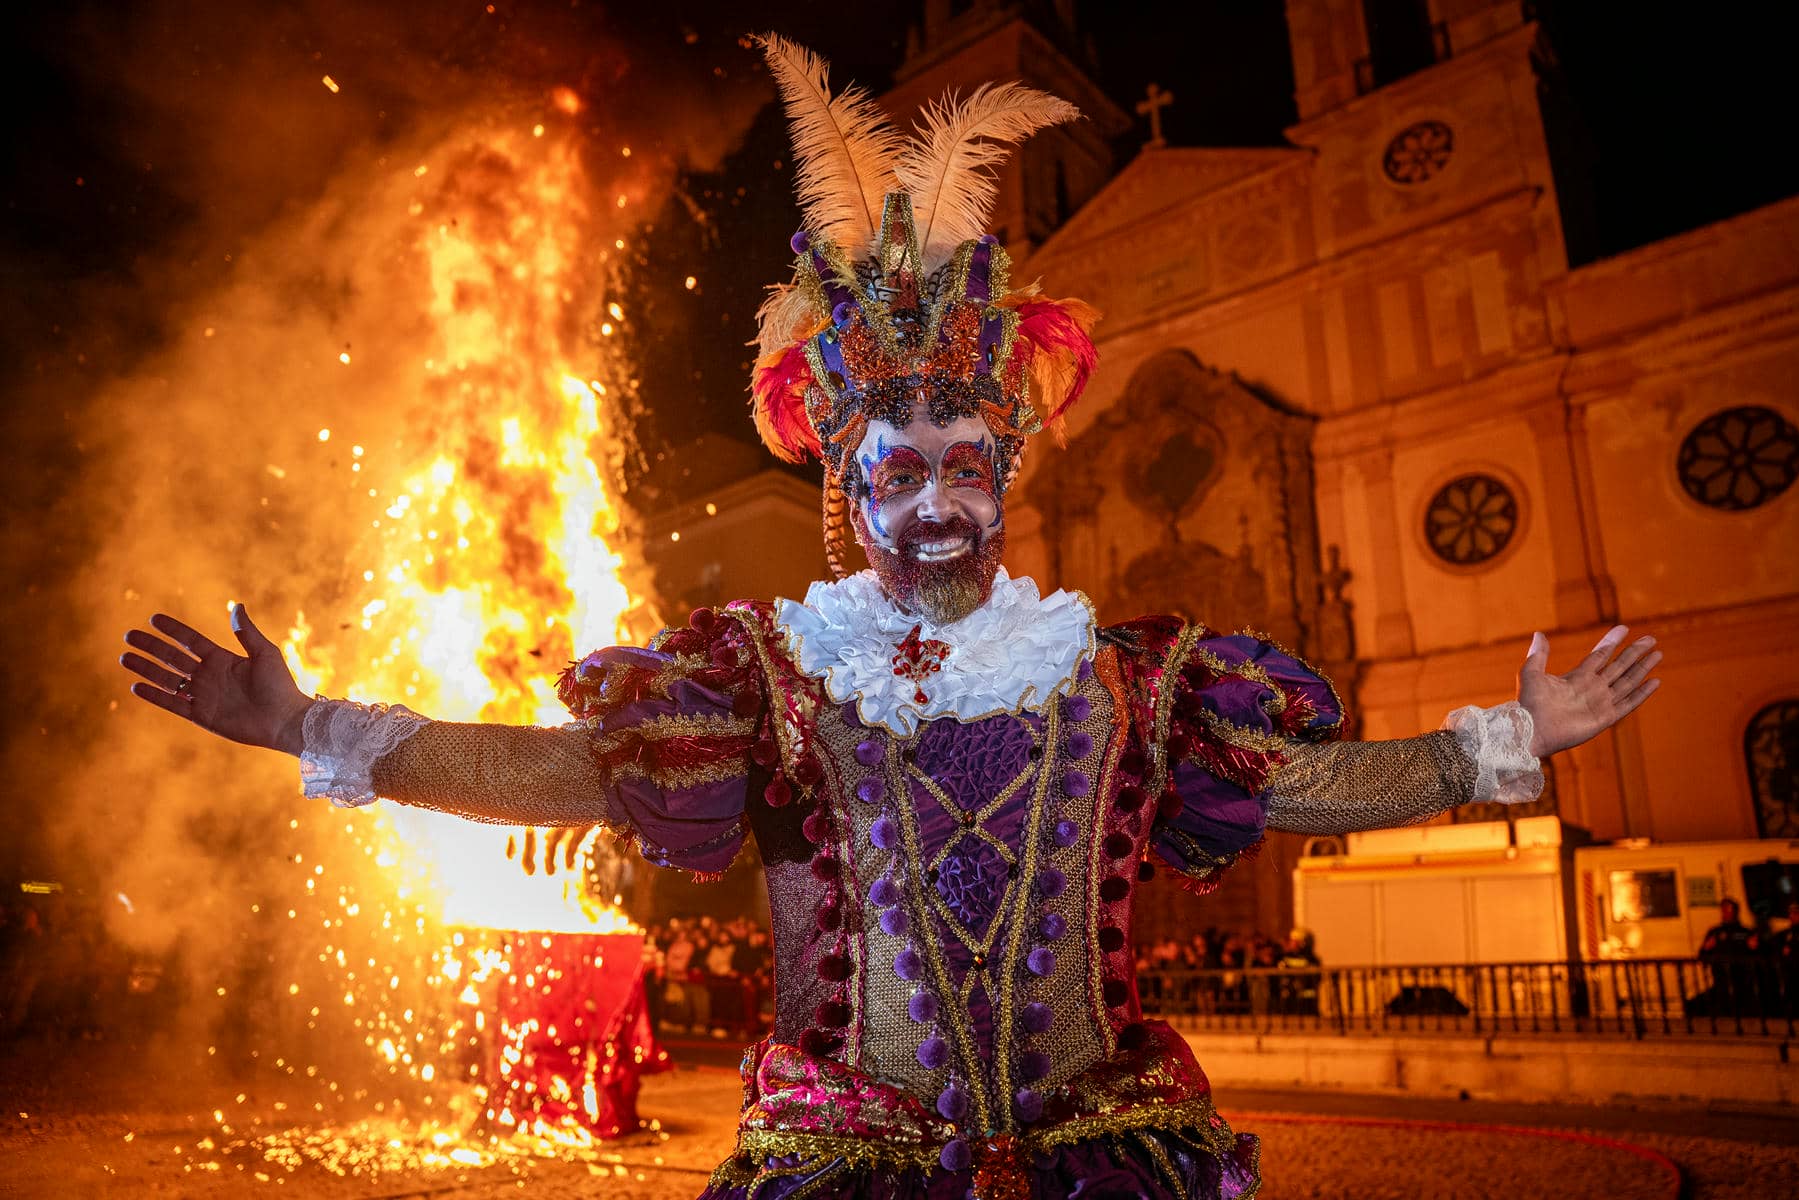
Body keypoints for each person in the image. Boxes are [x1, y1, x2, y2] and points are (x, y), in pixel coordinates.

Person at [119, 35, 1664, 1200]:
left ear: (1001, 477)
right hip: (847, 1162)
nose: (939, 494)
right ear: (854, 489)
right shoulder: (770, 683)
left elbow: (1304, 793)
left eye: (968, 463)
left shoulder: (1119, 682)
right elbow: (561, 774)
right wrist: (317, 728)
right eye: (903, 465)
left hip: (1100, 1153)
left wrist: (1503, 744)